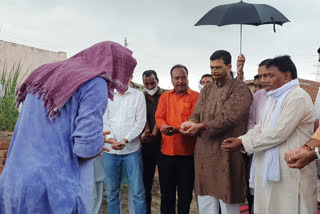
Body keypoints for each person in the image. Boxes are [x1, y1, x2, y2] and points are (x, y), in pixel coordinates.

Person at [0, 41, 137, 213]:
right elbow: (85, 150)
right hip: (54, 192)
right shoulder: (95, 83)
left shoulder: (44, 73)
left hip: (12, 184)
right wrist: (96, 141)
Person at [222, 55, 317, 214]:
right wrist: (241, 139)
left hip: (291, 168)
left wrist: (244, 144)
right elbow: (260, 127)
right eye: (261, 76)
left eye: (269, 75)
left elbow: (279, 133)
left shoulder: (297, 96)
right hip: (270, 169)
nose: (264, 80)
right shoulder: (273, 98)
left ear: (286, 76)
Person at [180, 50, 252, 214]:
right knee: (206, 202)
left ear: (229, 66)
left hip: (227, 152)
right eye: (211, 67)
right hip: (204, 153)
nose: (214, 71)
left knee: (228, 200)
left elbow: (229, 118)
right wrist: (190, 123)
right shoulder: (207, 89)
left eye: (218, 67)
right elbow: (196, 114)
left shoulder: (240, 88)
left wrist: (200, 126)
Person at [155, 64, 199, 214]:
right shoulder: (165, 96)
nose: (180, 81)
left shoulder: (196, 97)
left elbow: (195, 120)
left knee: (185, 196)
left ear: (188, 78)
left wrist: (178, 129)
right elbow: (159, 116)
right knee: (166, 195)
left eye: (183, 77)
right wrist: (163, 127)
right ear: (172, 80)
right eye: (177, 78)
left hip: (188, 155)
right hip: (166, 154)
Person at [103, 75, 147, 214]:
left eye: (126, 74)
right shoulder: (108, 95)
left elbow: (140, 122)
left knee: (138, 191)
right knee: (112, 192)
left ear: (131, 76)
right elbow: (104, 120)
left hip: (132, 150)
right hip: (110, 151)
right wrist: (111, 140)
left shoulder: (138, 96)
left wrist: (125, 140)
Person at [245, 59, 270, 214]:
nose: (261, 85)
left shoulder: (292, 97)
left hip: (273, 151)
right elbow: (252, 121)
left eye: (266, 78)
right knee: (254, 194)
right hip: (254, 150)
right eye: (258, 83)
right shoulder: (257, 97)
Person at [140, 70, 165, 214]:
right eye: (146, 84)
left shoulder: (166, 95)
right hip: (145, 146)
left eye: (152, 83)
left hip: (163, 145)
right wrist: (145, 133)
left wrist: (155, 132)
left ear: (158, 81)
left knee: (166, 185)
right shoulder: (139, 97)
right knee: (146, 184)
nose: (149, 86)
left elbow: (163, 116)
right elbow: (139, 116)